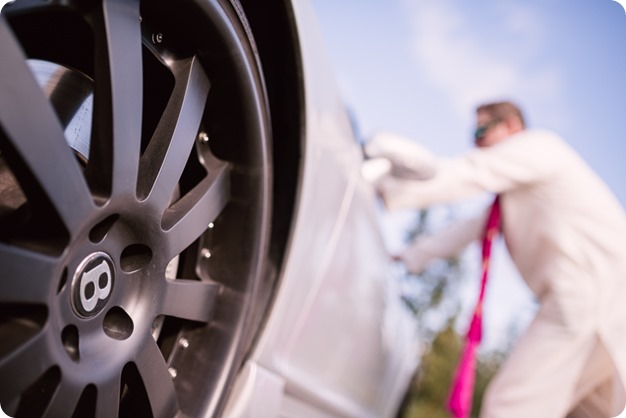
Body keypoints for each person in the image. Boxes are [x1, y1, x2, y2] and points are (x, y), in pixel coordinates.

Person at [365, 101, 626, 417]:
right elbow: (464, 231)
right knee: (582, 413)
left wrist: (382, 184)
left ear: (512, 127)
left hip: (589, 295)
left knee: (512, 405)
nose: (477, 143)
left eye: (481, 131)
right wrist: (407, 257)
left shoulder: (538, 146)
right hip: (610, 310)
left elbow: (470, 172)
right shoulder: (514, 194)